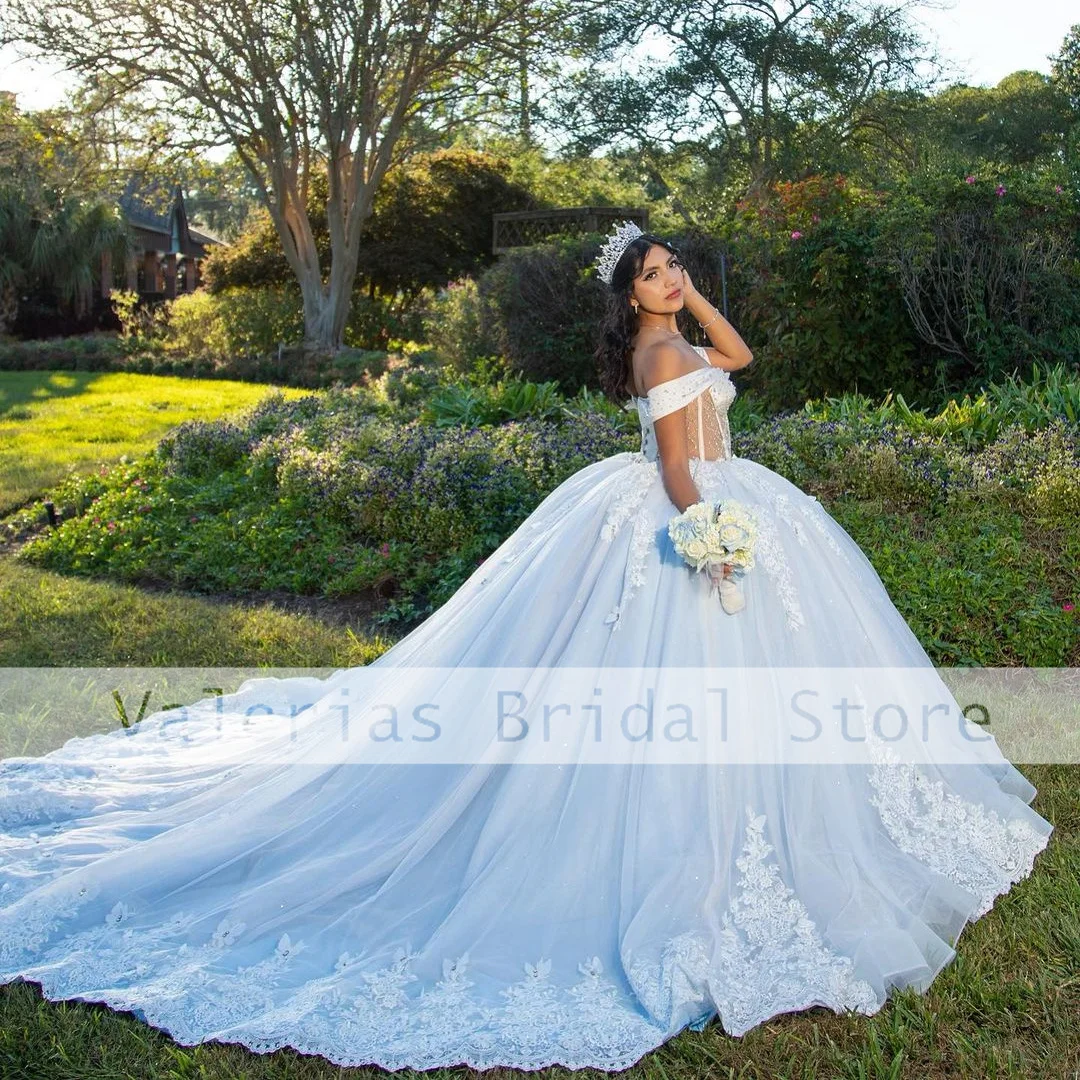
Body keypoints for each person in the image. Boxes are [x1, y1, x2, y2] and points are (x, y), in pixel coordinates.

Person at [0, 221, 1053, 1072]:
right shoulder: (655, 352)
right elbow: (684, 468)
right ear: (627, 298)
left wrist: (697, 302)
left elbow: (740, 359)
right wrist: (713, 545)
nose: (669, 281)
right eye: (653, 274)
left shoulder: (681, 333)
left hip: (717, 498)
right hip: (696, 517)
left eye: (673, 266)